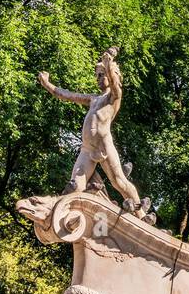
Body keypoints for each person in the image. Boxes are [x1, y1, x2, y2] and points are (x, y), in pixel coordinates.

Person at [38, 50, 147, 216]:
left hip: (104, 146)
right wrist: (48, 85)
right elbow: (68, 95)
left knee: (119, 182)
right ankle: (62, 213)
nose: (98, 79)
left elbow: (116, 84)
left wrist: (109, 64)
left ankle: (141, 214)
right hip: (87, 149)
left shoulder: (114, 97)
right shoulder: (93, 99)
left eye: (101, 74)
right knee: (75, 184)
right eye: (97, 75)